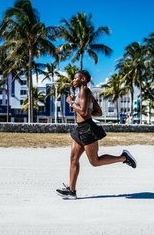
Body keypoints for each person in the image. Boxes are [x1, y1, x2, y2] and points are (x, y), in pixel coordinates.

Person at [56, 70, 137, 200]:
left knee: (95, 161)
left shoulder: (84, 91)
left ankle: (123, 158)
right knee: (73, 159)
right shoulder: (84, 93)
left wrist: (71, 103)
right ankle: (71, 191)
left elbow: (83, 112)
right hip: (80, 128)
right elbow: (98, 112)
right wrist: (84, 109)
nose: (73, 81)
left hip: (88, 129)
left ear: (82, 79)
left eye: (75, 78)